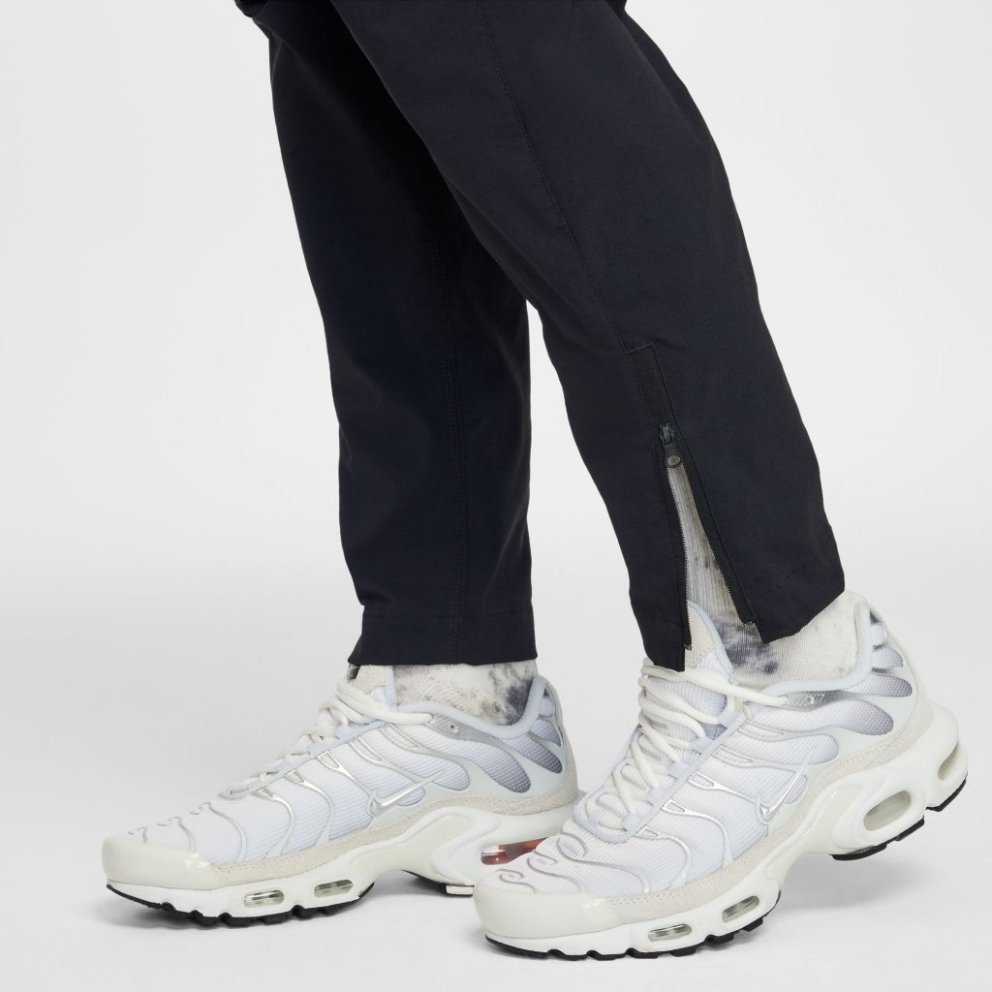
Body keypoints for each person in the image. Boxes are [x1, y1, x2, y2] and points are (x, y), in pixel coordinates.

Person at [101, 0, 967, 956]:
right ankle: (456, 690)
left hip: (780, 646)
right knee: (344, 38)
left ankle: (789, 657)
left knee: (495, 20)